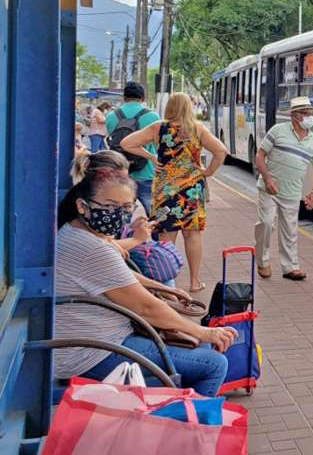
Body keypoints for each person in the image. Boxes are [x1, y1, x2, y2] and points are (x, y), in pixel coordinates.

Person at [54, 151, 236, 396]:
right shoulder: (93, 248)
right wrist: (204, 332)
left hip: (101, 341)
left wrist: (166, 289)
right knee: (213, 364)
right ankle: (185, 428)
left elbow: (117, 277)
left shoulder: (79, 232)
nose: (117, 214)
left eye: (126, 207)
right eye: (109, 206)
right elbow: (145, 308)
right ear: (82, 206)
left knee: (190, 345)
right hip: (94, 353)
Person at [121, 93, 227, 292]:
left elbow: (127, 143)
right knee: (193, 234)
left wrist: (152, 157)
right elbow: (221, 151)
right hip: (192, 187)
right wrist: (207, 172)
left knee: (166, 235)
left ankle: (167, 284)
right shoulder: (198, 129)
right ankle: (195, 281)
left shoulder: (158, 128)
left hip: (165, 187)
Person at [255, 96, 313, 281]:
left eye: (311, 113)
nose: (310, 117)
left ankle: (290, 267)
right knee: (267, 224)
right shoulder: (278, 131)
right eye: (306, 114)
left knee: (290, 230)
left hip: (292, 192)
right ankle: (262, 261)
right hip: (269, 189)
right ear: (295, 116)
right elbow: (260, 155)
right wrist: (268, 179)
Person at [107, 83, 160, 216]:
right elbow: (159, 145)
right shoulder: (153, 117)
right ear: (142, 97)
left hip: (121, 172)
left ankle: (123, 236)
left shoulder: (111, 116)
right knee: (154, 214)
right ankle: (155, 236)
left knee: (122, 213)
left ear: (124, 97)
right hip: (147, 171)